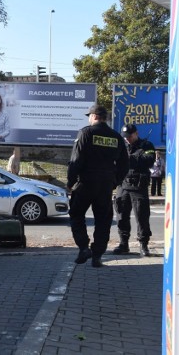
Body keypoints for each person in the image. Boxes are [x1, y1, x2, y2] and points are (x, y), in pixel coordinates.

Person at [67, 104, 128, 267]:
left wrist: (70, 182)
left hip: (85, 183)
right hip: (105, 185)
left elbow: (75, 161)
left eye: (89, 116)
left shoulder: (85, 133)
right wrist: (115, 181)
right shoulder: (116, 137)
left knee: (76, 214)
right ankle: (97, 256)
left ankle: (83, 247)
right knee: (103, 220)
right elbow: (124, 164)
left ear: (94, 116)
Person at [112, 124, 156, 257]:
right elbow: (115, 162)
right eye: (125, 137)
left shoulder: (146, 145)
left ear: (136, 133)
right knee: (121, 215)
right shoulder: (121, 145)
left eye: (130, 136)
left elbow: (149, 160)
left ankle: (143, 245)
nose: (127, 139)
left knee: (142, 217)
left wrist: (130, 158)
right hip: (123, 185)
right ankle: (123, 244)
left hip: (139, 186)